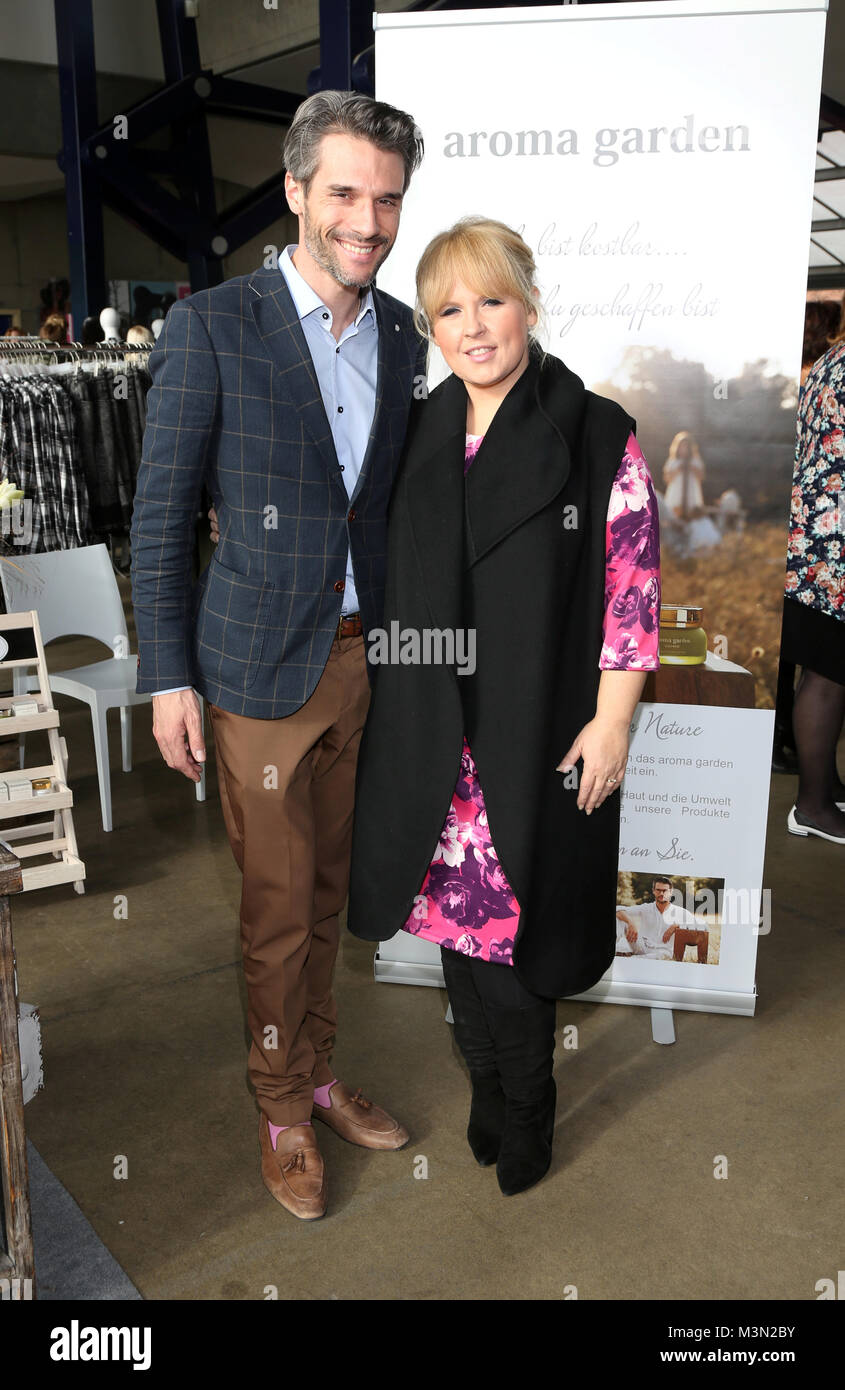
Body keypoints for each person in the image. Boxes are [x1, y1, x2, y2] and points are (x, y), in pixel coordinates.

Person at [130, 90, 427, 1222]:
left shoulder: (400, 333)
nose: (366, 219)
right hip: (254, 671)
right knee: (274, 908)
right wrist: (169, 672)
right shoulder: (212, 326)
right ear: (296, 191)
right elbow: (159, 516)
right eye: (344, 192)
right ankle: (280, 1111)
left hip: (364, 665)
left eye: (387, 198)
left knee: (333, 893)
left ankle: (319, 1071)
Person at [347, 217, 661, 1197]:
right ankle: (483, 1079)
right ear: (430, 327)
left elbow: (632, 587)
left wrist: (611, 721)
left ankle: (528, 1103)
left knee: (512, 947)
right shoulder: (417, 434)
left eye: (490, 300)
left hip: (531, 730)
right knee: (453, 931)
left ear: (526, 301)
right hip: (428, 729)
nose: (472, 326)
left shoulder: (595, 428)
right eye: (448, 309)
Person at [782, 295, 845, 845]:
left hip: (813, 546)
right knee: (827, 678)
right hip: (833, 553)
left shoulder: (829, 365)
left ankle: (826, 785)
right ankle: (813, 804)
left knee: (822, 674)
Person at [615, 879, 706, 962]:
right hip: (642, 946)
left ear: (671, 892)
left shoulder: (680, 912)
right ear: (653, 891)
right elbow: (617, 909)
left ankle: (630, 960)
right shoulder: (646, 907)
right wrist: (630, 922)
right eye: (658, 890)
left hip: (664, 951)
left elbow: (704, 926)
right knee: (619, 919)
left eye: (665, 890)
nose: (661, 893)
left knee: (663, 956)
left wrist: (676, 926)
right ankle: (610, 950)